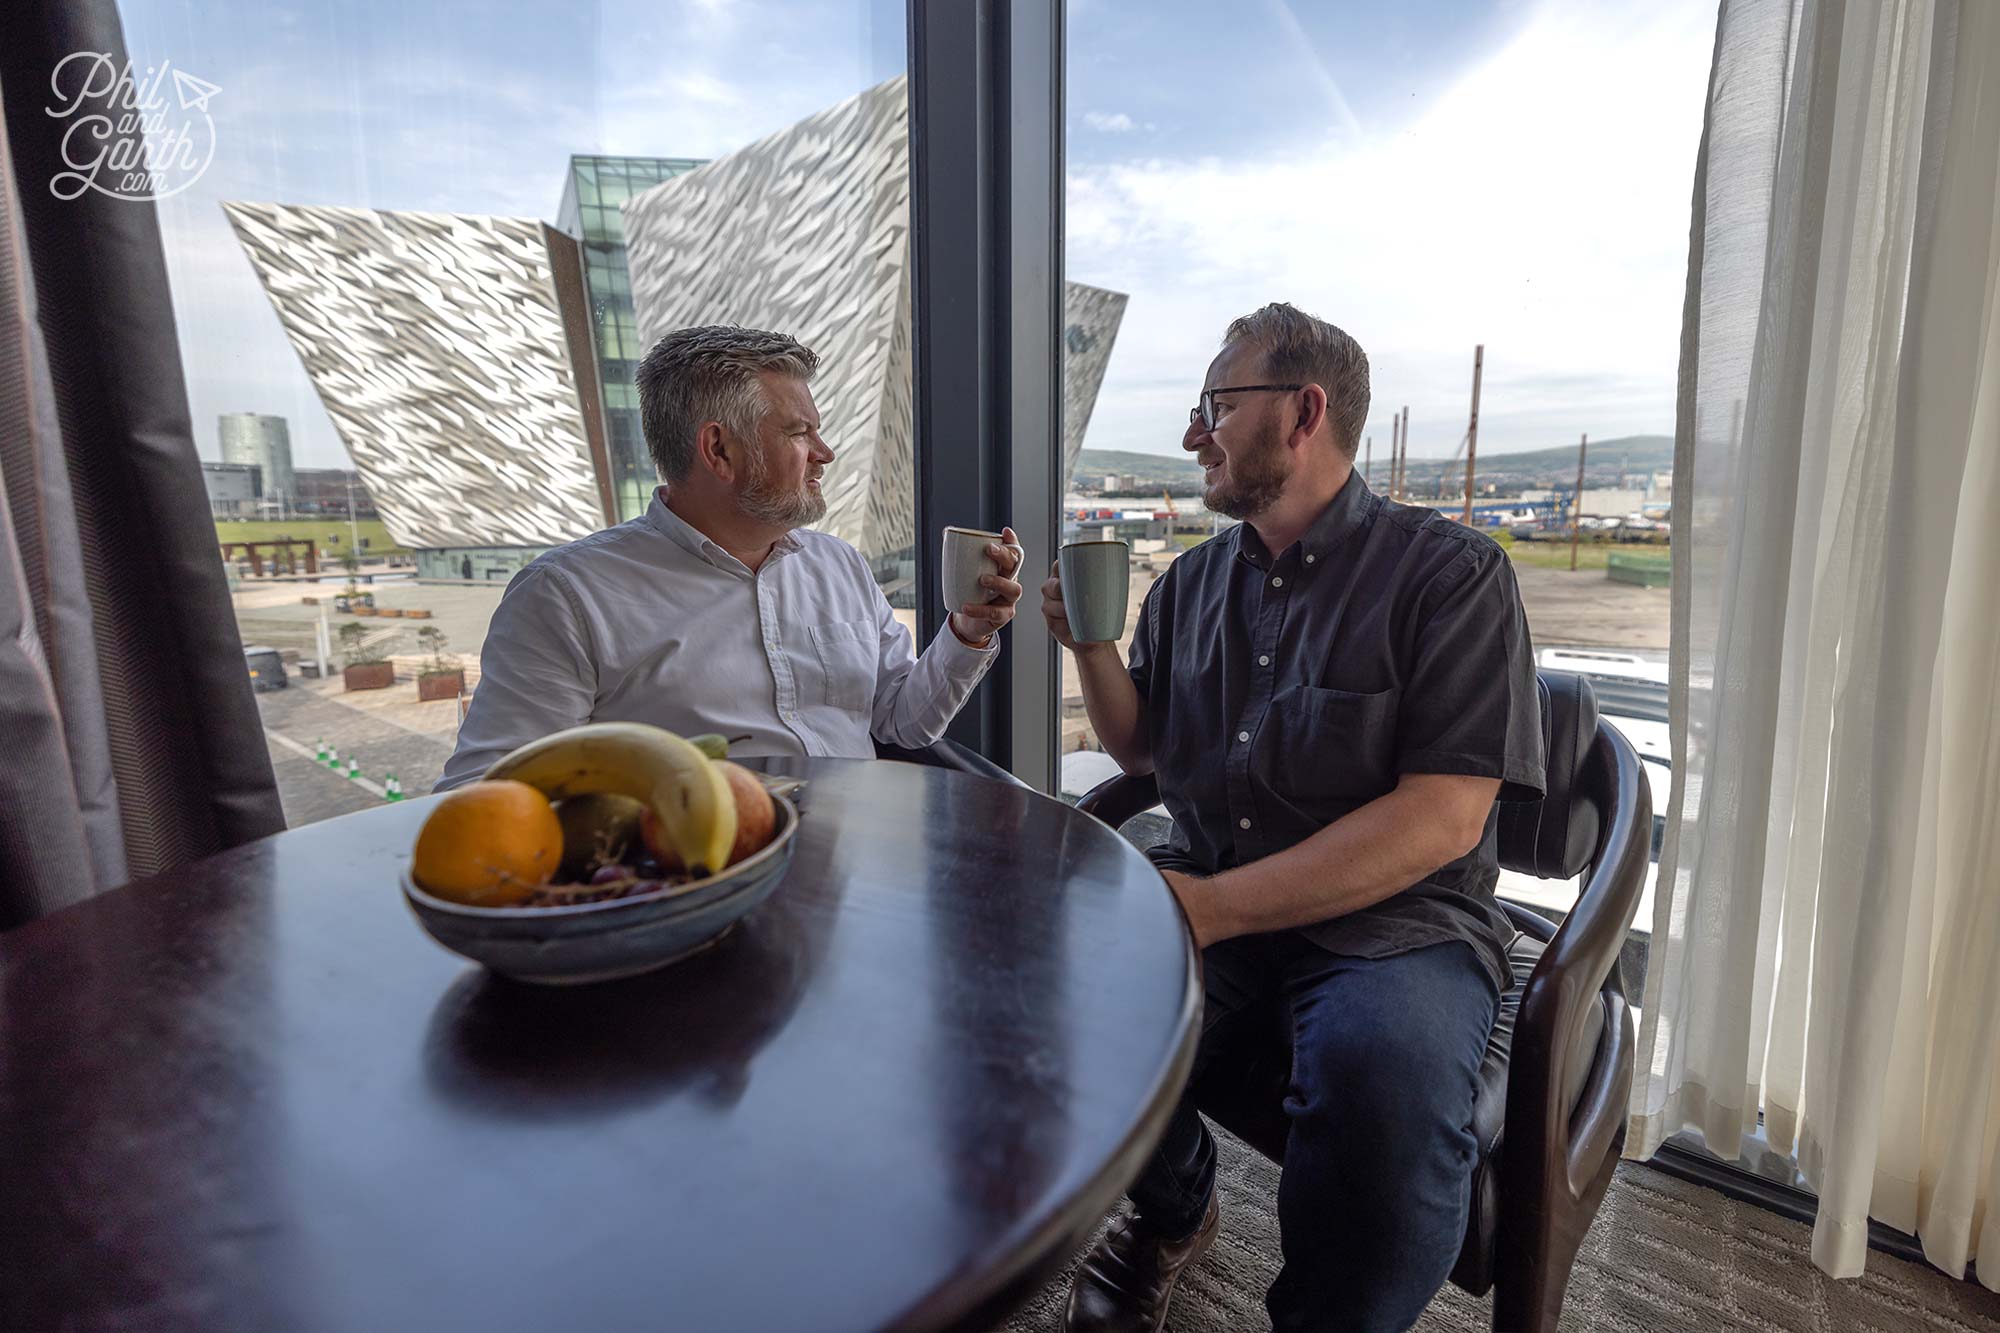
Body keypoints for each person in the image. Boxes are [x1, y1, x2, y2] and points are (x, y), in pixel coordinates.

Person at [1043, 304, 1544, 1333]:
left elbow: (1444, 819)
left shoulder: (1449, 576)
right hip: (1212, 881)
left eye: (1215, 407)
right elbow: (1140, 752)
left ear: (1303, 411)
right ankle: (1178, 1212)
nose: (1193, 435)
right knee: (1061, 1001)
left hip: (1392, 924)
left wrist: (1212, 907)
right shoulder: (1189, 582)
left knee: (1378, 1086)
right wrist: (1087, 645)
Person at [438, 325, 1022, 791]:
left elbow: (903, 722)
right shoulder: (567, 595)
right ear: (719, 449)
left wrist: (966, 633)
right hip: (691, 884)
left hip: (855, 868)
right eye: (799, 433)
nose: (826, 453)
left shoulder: (839, 566)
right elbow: (485, 794)